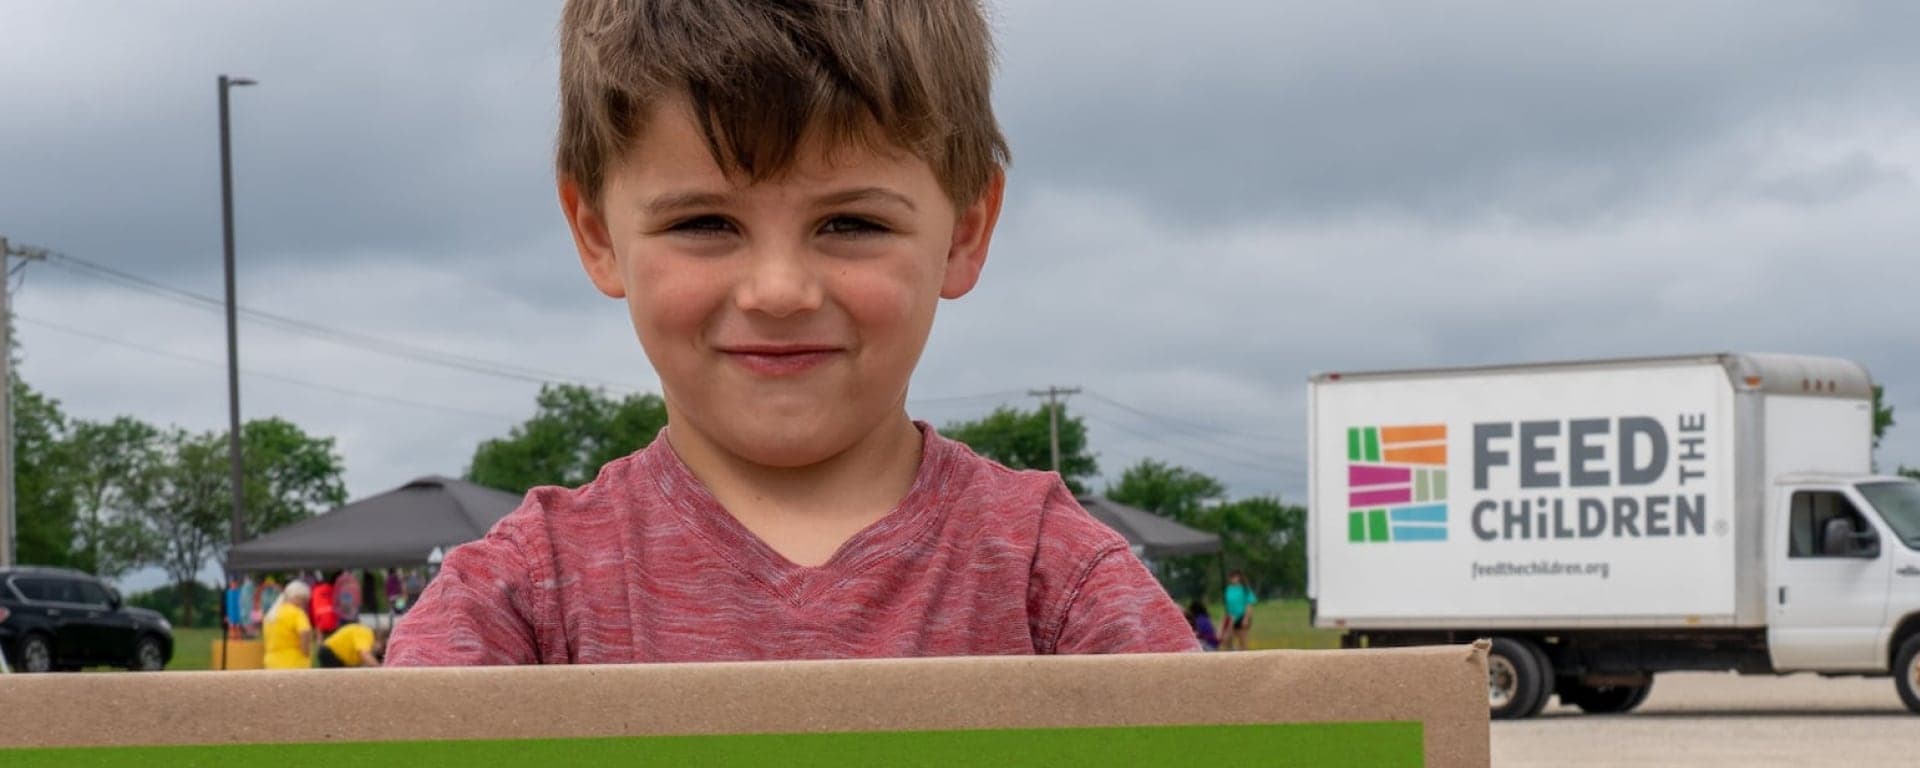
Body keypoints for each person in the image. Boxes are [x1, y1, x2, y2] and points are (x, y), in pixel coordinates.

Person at [386, 0, 1195, 666]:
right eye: (705, 222)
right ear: (597, 233)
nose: (779, 291)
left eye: (850, 222)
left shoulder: (1060, 586)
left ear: (965, 231)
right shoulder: (515, 608)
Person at [261, 580, 314, 670]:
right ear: (297, 597)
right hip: (294, 662)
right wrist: (306, 652)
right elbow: (305, 631)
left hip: (271, 662)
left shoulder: (271, 614)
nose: (305, 604)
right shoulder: (297, 613)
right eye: (304, 600)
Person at [317, 620, 384, 668]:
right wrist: (379, 669)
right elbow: (364, 655)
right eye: (380, 648)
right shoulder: (367, 634)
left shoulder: (365, 634)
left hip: (335, 655)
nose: (376, 651)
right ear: (379, 640)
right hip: (331, 653)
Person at [1222, 571, 1257, 651]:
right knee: (1227, 638)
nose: (1233, 579)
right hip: (1231, 617)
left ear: (1239, 578)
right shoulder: (1228, 589)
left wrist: (1246, 618)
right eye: (1232, 577)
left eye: (1235, 577)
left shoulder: (1245, 589)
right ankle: (1233, 654)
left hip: (1241, 616)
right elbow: (1227, 605)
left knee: (1242, 639)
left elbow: (1249, 605)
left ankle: (1244, 656)